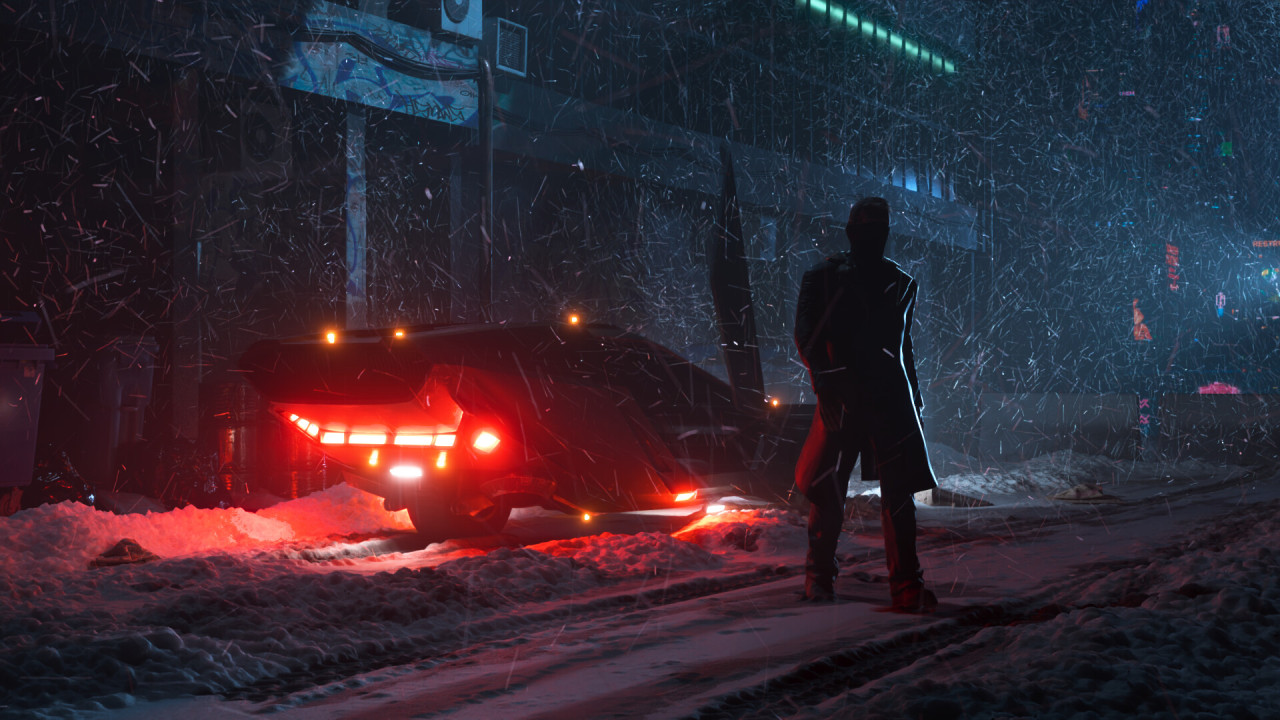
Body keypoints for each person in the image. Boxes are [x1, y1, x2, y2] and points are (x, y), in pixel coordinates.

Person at [794, 196, 938, 611]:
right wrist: (825, 383)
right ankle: (821, 578)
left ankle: (903, 585)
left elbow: (902, 346)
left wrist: (914, 397)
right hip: (845, 397)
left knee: (897, 496)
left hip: (887, 401)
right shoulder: (824, 277)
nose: (873, 238)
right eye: (867, 230)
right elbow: (807, 336)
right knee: (829, 489)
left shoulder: (900, 283)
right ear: (852, 233)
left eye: (879, 230)